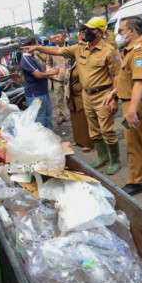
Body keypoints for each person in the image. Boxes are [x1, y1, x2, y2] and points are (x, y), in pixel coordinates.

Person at [23, 17, 121, 174]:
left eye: (89, 29)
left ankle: (115, 160)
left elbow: (117, 76)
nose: (85, 32)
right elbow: (57, 50)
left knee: (107, 130)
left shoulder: (109, 51)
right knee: (94, 130)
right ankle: (103, 157)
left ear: (99, 32)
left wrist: (114, 97)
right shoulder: (80, 48)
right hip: (86, 95)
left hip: (104, 95)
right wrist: (38, 48)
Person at [105, 17, 142, 195]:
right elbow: (125, 78)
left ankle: (136, 182)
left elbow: (139, 83)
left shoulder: (138, 53)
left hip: (138, 103)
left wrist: (132, 111)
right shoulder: (129, 50)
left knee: (133, 143)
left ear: (132, 31)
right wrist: (114, 92)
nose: (118, 34)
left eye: (121, 31)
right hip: (136, 100)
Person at [20, 40, 59, 129]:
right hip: (36, 94)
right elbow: (38, 75)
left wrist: (49, 71)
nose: (38, 46)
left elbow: (42, 70)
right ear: (30, 46)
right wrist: (53, 73)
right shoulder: (26, 58)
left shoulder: (33, 57)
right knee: (40, 121)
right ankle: (44, 141)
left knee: (47, 116)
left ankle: (50, 139)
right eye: (36, 44)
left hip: (42, 92)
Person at [65, 29, 93, 151]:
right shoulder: (70, 61)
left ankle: (87, 143)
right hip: (72, 94)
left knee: (84, 119)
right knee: (75, 119)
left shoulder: (83, 58)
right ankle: (78, 140)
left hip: (81, 94)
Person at [48, 30, 71, 125]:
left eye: (59, 36)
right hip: (57, 78)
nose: (57, 39)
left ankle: (73, 114)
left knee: (69, 97)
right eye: (55, 37)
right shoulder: (51, 50)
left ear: (64, 37)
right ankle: (62, 116)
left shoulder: (70, 48)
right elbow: (48, 63)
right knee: (58, 98)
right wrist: (51, 73)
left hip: (69, 78)